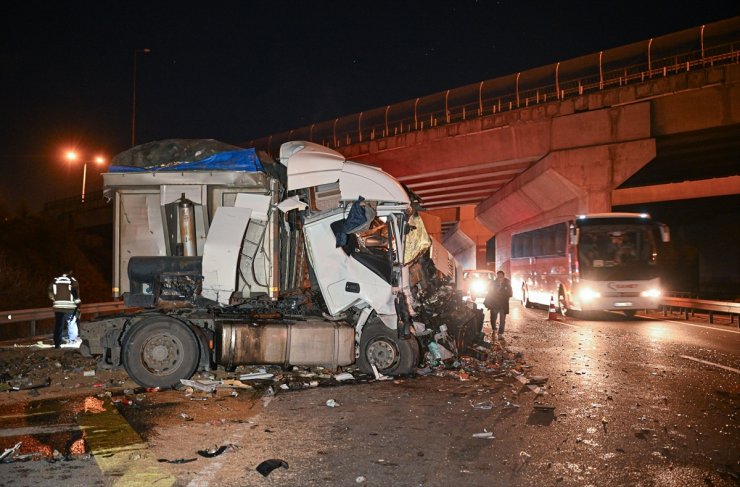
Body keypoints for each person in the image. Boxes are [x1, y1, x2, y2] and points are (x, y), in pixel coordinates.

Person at [48, 267, 81, 348]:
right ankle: (72, 341)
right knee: (71, 323)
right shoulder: (72, 280)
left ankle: (57, 344)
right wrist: (77, 302)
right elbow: (75, 292)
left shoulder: (55, 280)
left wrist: (55, 299)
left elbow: (50, 292)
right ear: (70, 272)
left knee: (58, 325)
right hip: (70, 307)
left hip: (58, 307)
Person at [484, 270, 513, 339]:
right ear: (497, 276)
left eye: (501, 276)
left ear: (503, 277)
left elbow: (510, 294)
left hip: (503, 305)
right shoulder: (493, 283)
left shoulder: (507, 284)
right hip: (494, 304)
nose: (500, 278)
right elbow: (489, 291)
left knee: (502, 320)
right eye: (498, 276)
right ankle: (494, 329)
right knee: (493, 318)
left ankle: (500, 334)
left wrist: (503, 291)